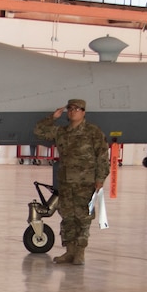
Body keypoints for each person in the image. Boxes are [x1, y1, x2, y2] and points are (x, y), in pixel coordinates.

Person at [32, 98, 110, 265]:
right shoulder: (62, 132)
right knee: (67, 217)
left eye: (77, 109)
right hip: (66, 182)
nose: (73, 111)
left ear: (83, 112)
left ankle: (80, 253)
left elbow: (102, 156)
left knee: (83, 217)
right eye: (71, 109)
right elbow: (39, 131)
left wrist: (100, 179)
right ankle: (69, 252)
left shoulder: (92, 132)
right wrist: (52, 117)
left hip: (85, 182)